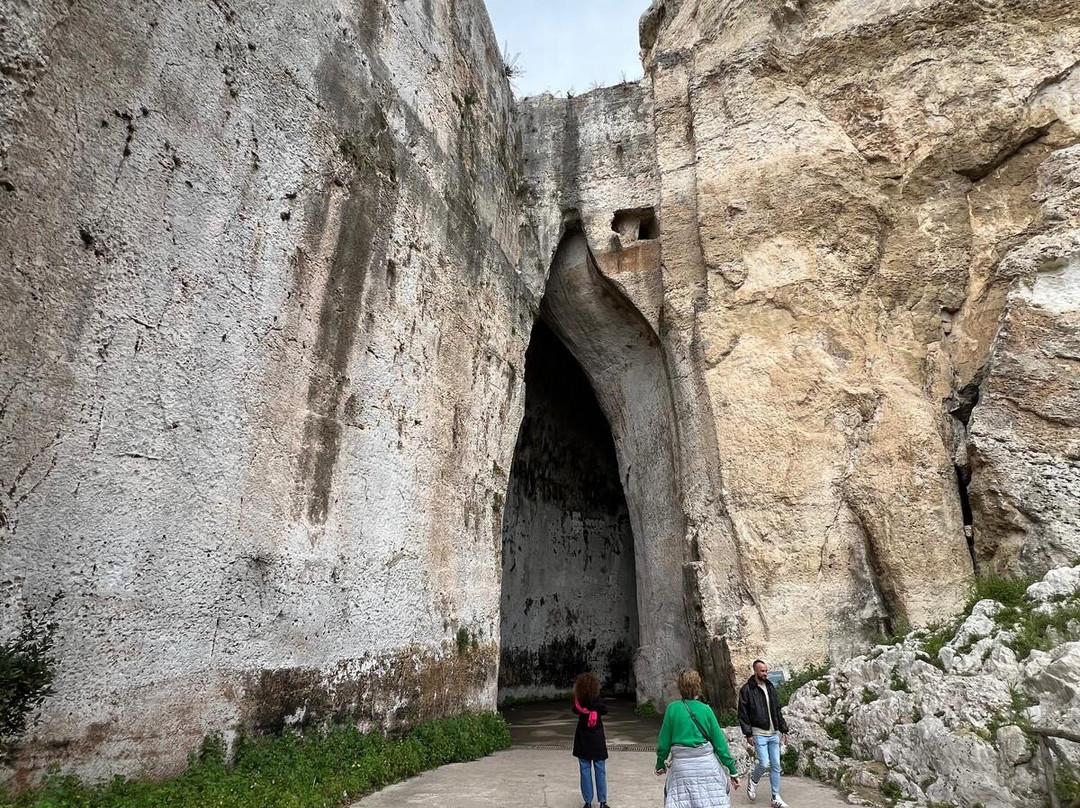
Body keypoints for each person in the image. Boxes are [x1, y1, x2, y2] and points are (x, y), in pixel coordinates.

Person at [655, 668, 741, 807]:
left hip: (681, 769)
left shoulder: (672, 709)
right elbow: (719, 743)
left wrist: (660, 764)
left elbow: (664, 743)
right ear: (698, 686)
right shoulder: (706, 709)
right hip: (708, 767)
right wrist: (732, 770)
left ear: (680, 687)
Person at [737, 659, 790, 808]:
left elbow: (777, 709)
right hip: (758, 733)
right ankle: (753, 781)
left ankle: (775, 797)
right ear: (755, 671)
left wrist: (784, 730)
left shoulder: (770, 686)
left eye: (766, 670)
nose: (765, 673)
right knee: (764, 763)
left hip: (773, 733)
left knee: (776, 765)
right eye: (762, 671)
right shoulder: (747, 690)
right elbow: (742, 714)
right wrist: (748, 734)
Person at [573, 672, 611, 808]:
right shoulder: (598, 702)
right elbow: (605, 710)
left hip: (582, 738)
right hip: (597, 739)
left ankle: (588, 802)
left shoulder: (579, 702)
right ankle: (602, 802)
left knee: (585, 770)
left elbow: (574, 710)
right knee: (600, 770)